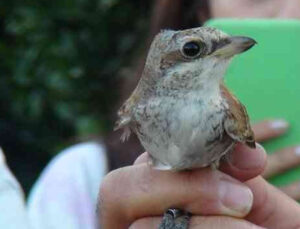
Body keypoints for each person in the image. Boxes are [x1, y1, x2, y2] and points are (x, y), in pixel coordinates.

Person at [1, 0, 300, 228]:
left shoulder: (229, 112)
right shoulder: (83, 176)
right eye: (195, 48)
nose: (290, 15)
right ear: (198, 12)